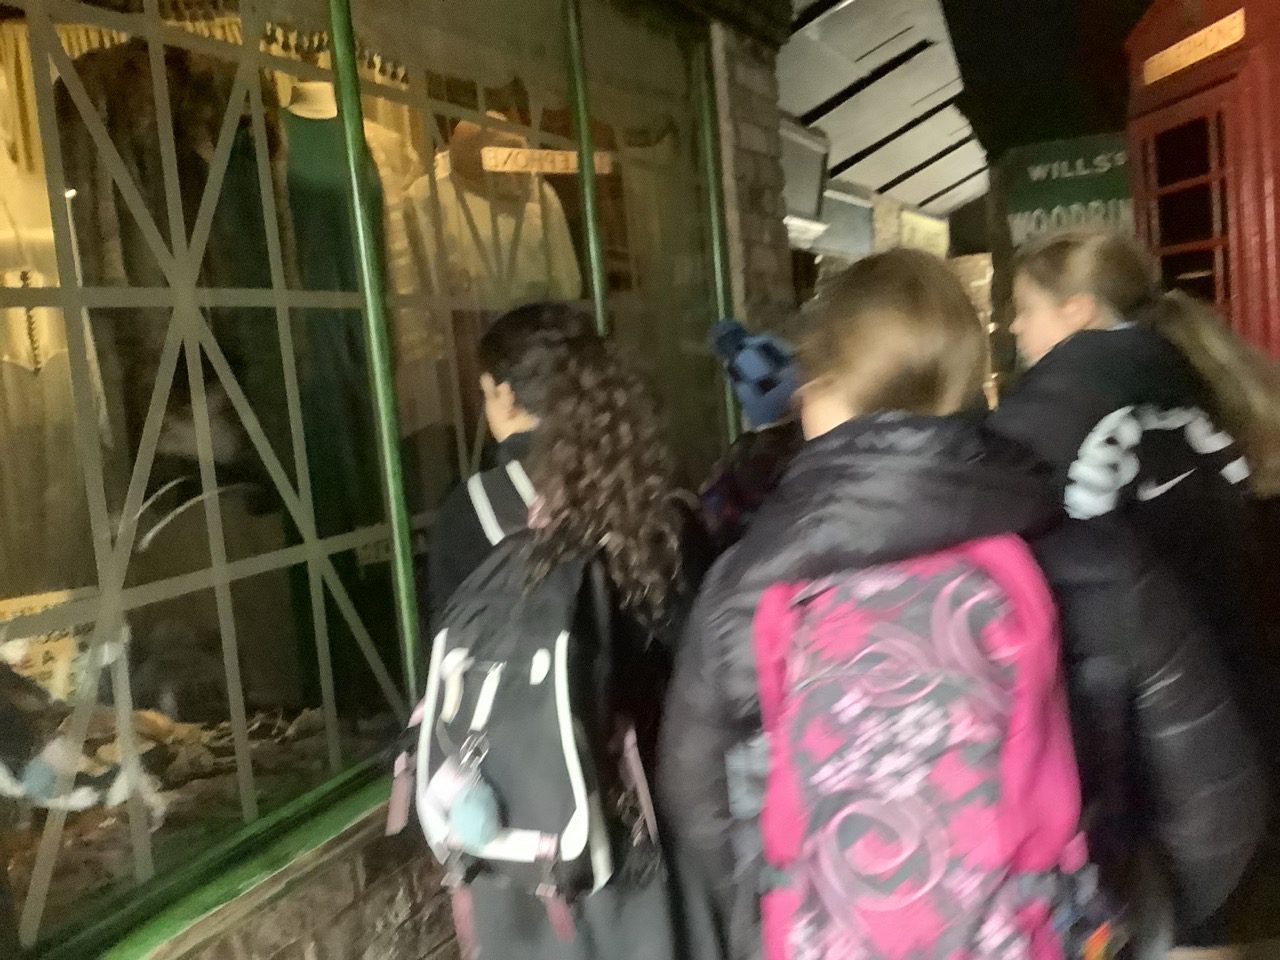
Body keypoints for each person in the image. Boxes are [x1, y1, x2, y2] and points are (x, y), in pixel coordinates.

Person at [661, 249, 1107, 960]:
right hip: (1010, 933)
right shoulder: (1042, 543)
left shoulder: (749, 578)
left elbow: (695, 793)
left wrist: (769, 913)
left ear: (828, 386)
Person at [989, 228, 1273, 949]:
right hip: (1237, 710)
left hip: (1127, 742)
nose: (1014, 327)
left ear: (1078, 309)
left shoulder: (1050, 412)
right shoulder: (1197, 383)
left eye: (1026, 308)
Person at [426, 304, 706, 960]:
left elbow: (442, 670)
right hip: (656, 807)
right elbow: (702, 652)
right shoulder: (656, 497)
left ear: (503, 394)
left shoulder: (472, 513)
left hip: (527, 823)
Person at [425, 302, 590, 624]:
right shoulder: (628, 477)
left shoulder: (472, 509)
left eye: (487, 394)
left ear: (508, 397)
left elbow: (447, 631)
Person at [698, 320, 805, 553]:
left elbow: (761, 395)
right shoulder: (766, 341)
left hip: (773, 423)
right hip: (790, 416)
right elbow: (792, 367)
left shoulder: (735, 364)